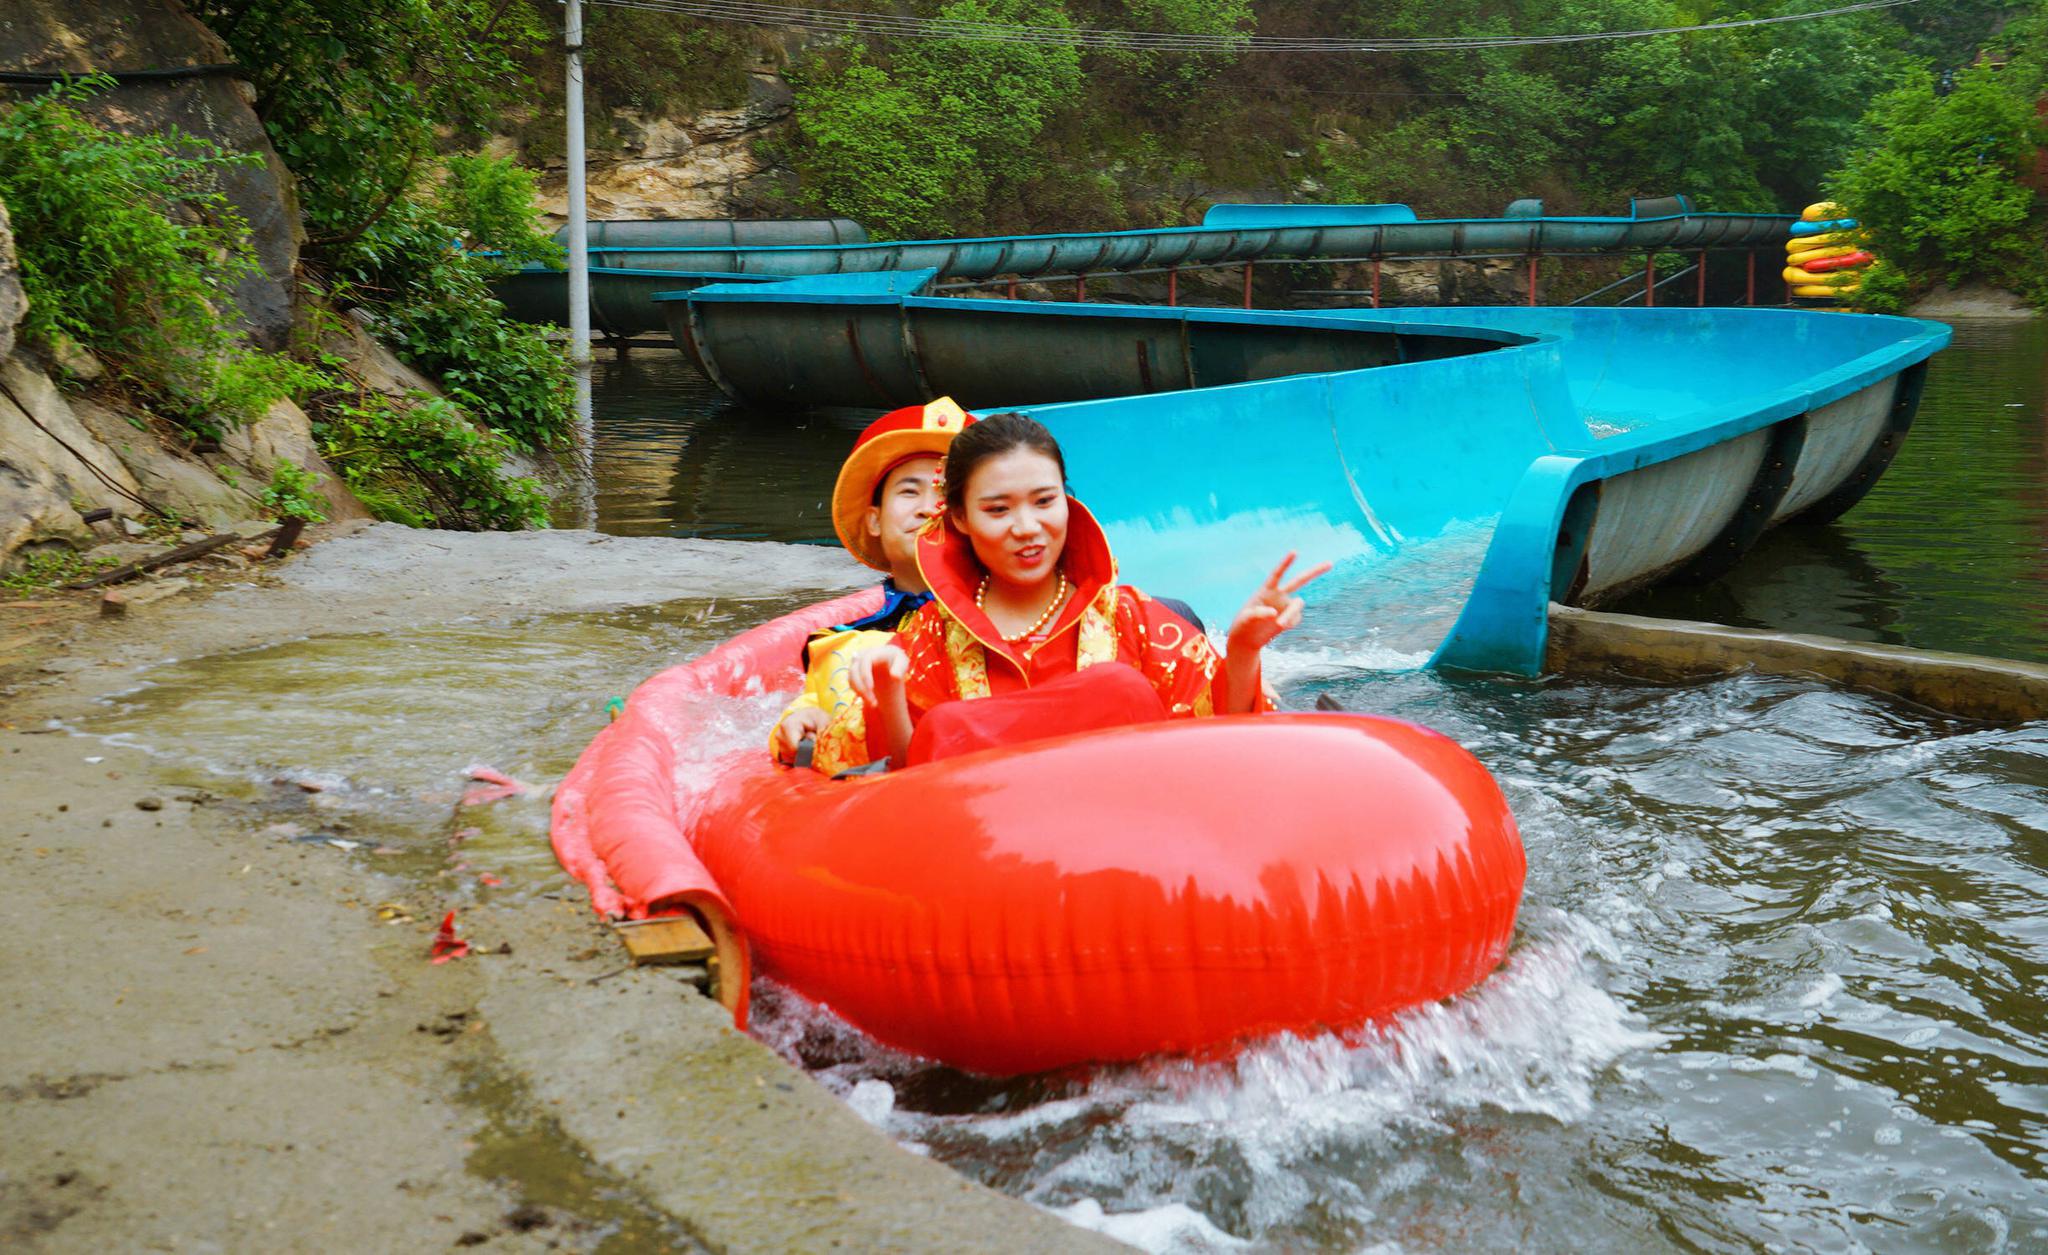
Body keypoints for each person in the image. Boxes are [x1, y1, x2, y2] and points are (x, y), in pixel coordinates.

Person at [844, 411, 1327, 769]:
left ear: (1067, 501)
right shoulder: (924, 643)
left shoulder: (1136, 620)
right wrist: (888, 696)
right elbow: (901, 786)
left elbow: (1226, 743)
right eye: (998, 510)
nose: (1027, 527)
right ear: (961, 519)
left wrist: (1242, 651)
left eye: (1044, 501)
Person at [769, 397, 972, 774]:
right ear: (875, 521)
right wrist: (802, 719)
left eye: (945, 494)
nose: (929, 508)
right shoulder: (840, 644)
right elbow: (810, 708)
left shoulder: (1006, 617)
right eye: (910, 492)